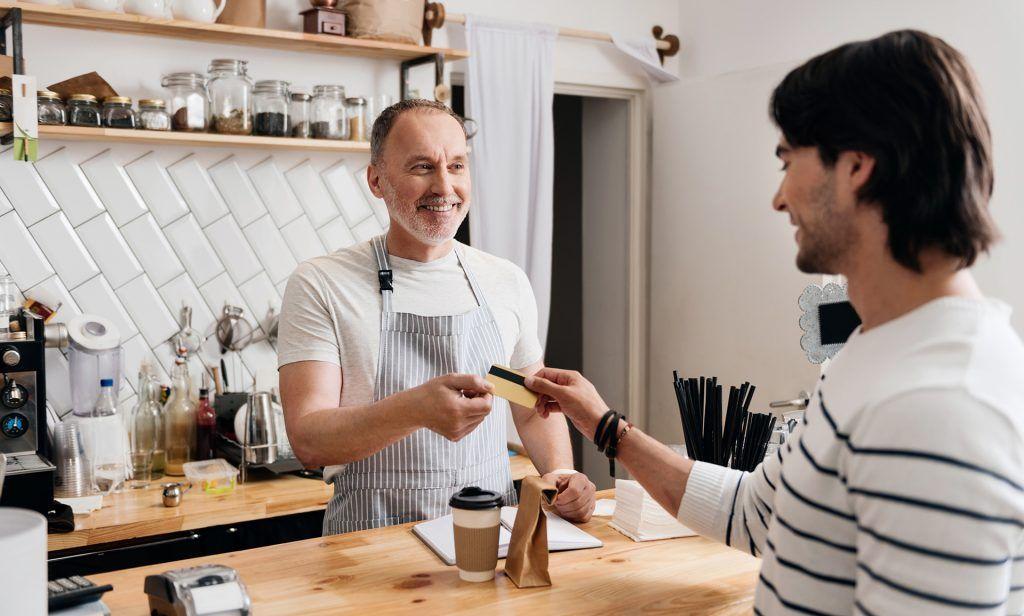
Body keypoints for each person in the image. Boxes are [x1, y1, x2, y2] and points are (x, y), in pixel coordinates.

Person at [526, 30, 1024, 614]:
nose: (778, 198)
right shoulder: (873, 352)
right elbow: (757, 513)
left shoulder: (939, 406)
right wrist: (607, 426)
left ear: (857, 166)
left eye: (788, 161)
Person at [277, 99, 596, 534]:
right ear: (376, 180)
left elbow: (530, 408)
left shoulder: (504, 280)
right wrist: (414, 410)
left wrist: (561, 473)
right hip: (369, 548)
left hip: (490, 541)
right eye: (422, 166)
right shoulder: (322, 283)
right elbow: (309, 439)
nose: (445, 187)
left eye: (458, 166)